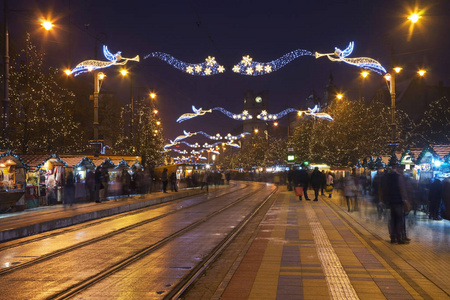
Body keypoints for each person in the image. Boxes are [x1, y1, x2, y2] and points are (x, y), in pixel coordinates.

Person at [381, 165, 409, 244]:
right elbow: (402, 189)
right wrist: (405, 199)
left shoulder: (388, 177)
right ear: (397, 168)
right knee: (399, 219)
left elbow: (384, 188)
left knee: (392, 219)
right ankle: (399, 237)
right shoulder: (398, 177)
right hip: (398, 200)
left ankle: (393, 237)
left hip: (390, 201)